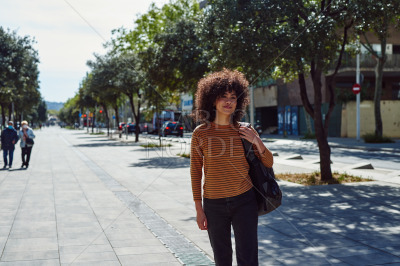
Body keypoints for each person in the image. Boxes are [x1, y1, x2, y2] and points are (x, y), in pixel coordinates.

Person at [190, 69, 274, 266]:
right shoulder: (200, 133)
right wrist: (198, 209)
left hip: (245, 201)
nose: (228, 101)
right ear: (212, 100)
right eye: (223, 97)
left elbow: (269, 162)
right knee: (222, 259)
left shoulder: (245, 130)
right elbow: (195, 172)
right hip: (213, 205)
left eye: (233, 97)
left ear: (239, 101)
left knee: (248, 258)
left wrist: (257, 141)